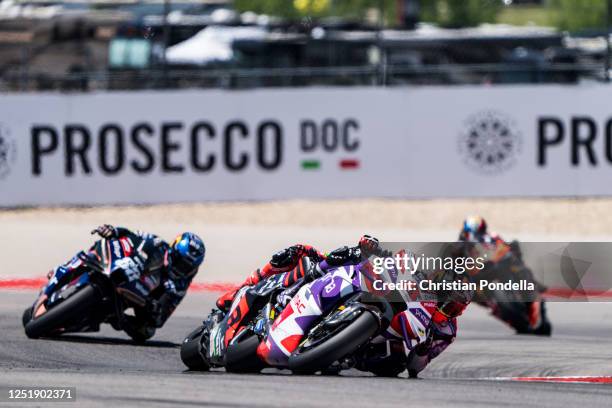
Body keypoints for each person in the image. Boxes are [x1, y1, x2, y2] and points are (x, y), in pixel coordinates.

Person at [40, 225, 205, 341]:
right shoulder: (156, 243)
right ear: (173, 250)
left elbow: (161, 317)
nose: (181, 268)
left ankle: (100, 318)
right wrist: (113, 231)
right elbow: (131, 234)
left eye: (187, 266)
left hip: (135, 297)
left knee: (146, 332)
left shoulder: (179, 285)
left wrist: (153, 309)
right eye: (180, 262)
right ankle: (61, 272)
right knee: (95, 249)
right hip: (121, 267)